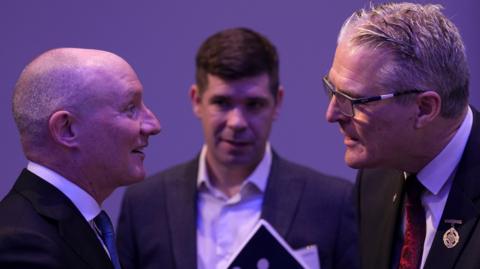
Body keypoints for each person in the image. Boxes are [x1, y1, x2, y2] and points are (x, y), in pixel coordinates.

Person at [117, 27, 358, 269]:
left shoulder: (332, 203)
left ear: (277, 103)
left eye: (254, 104)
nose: (237, 122)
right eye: (222, 103)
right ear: (196, 100)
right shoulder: (144, 204)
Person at [324, 2, 479, 269]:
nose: (332, 114)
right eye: (333, 91)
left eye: (354, 100)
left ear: (424, 109)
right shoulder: (375, 177)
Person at [0, 48, 161, 269]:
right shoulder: (23, 245)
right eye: (130, 108)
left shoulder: (80, 227)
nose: (153, 125)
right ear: (67, 129)